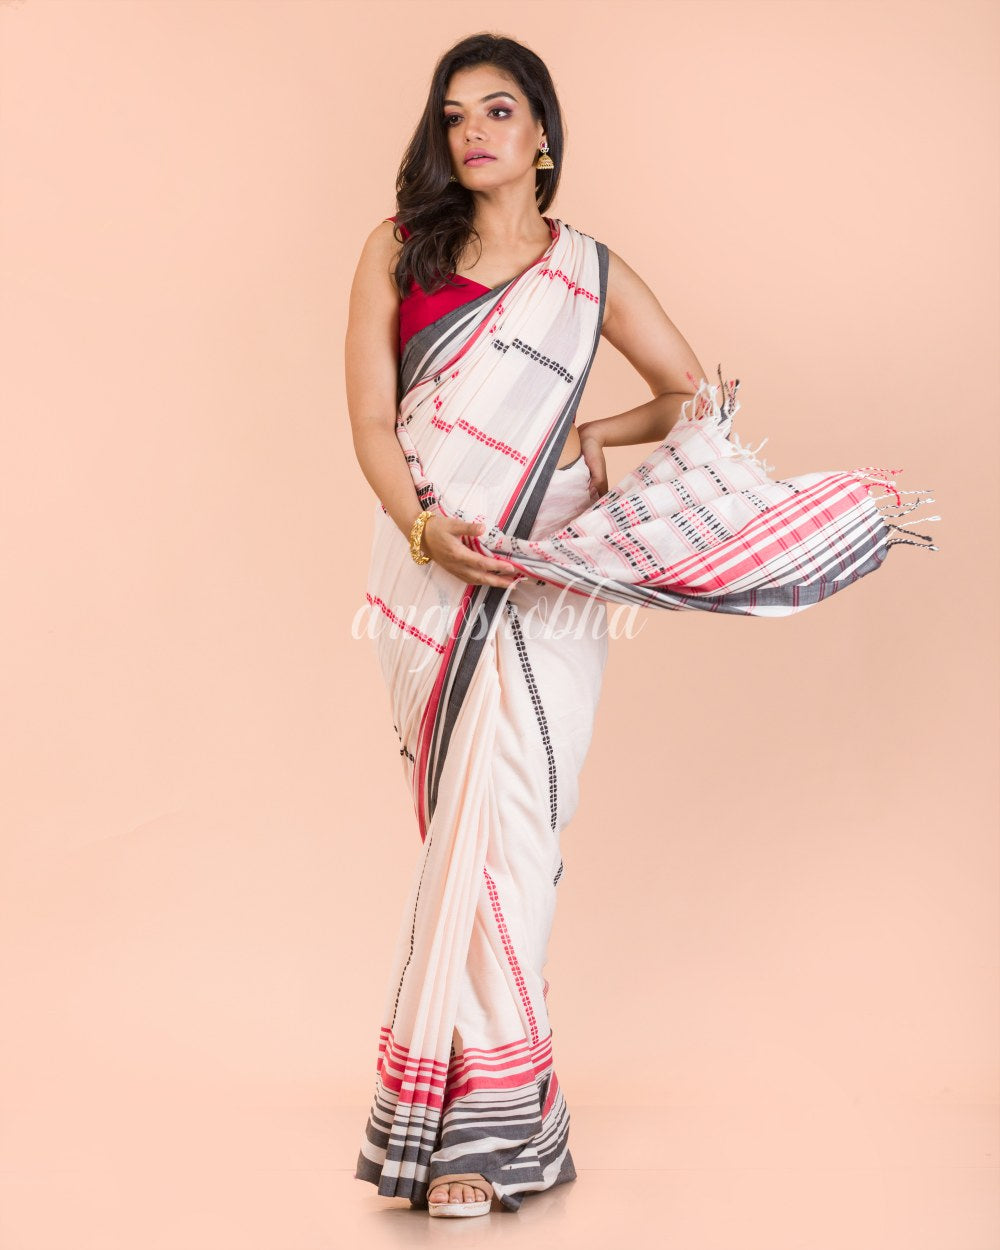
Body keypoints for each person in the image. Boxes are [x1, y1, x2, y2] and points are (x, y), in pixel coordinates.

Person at [344, 32, 936, 1220]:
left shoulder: (587, 272)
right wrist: (423, 529)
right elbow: (368, 418)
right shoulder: (397, 250)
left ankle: (485, 1134)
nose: (473, 131)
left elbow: (687, 396)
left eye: (498, 110)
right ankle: (497, 1109)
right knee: (457, 830)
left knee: (514, 830)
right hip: (428, 574)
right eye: (454, 113)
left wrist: (581, 442)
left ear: (541, 133)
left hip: (548, 573)